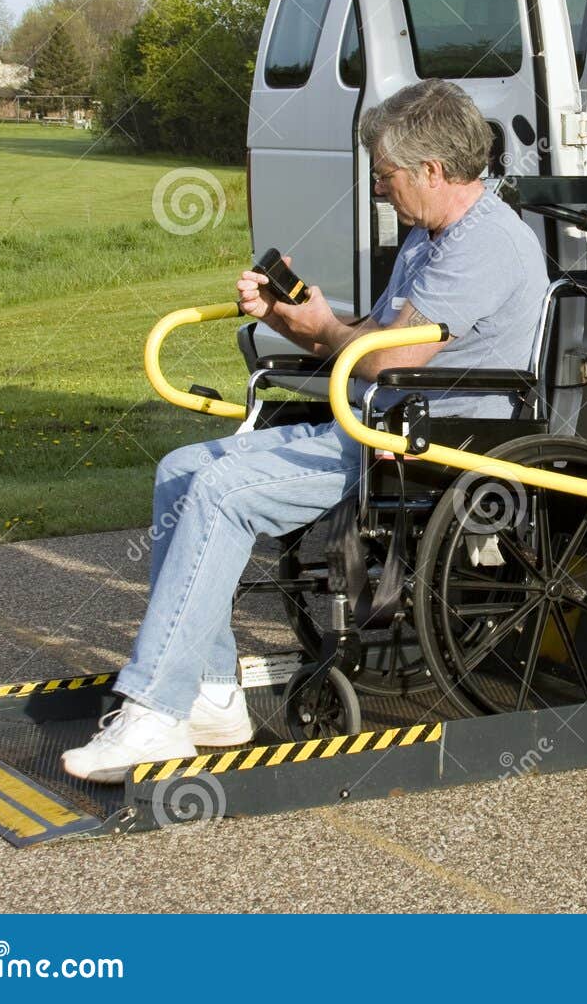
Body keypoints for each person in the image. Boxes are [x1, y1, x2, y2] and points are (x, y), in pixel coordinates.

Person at [63, 79, 550, 780]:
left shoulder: (485, 244)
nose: (380, 191)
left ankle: (152, 715)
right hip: (383, 419)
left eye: (385, 176)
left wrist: (324, 331)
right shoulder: (431, 237)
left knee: (224, 490)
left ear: (433, 172)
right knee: (181, 471)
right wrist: (297, 320)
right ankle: (211, 694)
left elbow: (382, 357)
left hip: (432, 441)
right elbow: (369, 341)